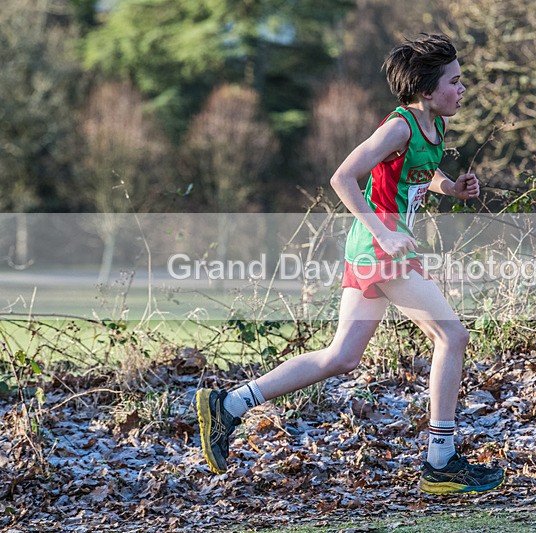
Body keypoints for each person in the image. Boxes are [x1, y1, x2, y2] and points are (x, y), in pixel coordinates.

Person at [196, 33, 505, 495]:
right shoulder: (399, 126)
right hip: (380, 248)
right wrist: (383, 231)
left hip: (379, 248)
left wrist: (450, 188)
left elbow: (420, 174)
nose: (462, 89)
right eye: (455, 82)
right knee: (451, 334)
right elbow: (343, 176)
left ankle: (232, 403)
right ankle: (440, 461)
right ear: (426, 90)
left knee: (341, 357)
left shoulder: (433, 128)